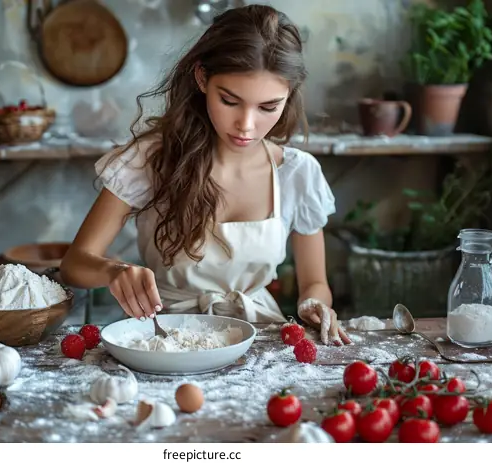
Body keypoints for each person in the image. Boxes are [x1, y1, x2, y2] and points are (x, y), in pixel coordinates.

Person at [59, 4, 350, 346]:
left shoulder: (297, 173)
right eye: (229, 101)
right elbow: (74, 264)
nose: (246, 124)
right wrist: (114, 271)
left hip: (260, 340)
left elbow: (314, 283)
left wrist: (315, 304)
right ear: (201, 78)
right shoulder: (150, 159)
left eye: (268, 107)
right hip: (164, 339)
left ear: (288, 97)